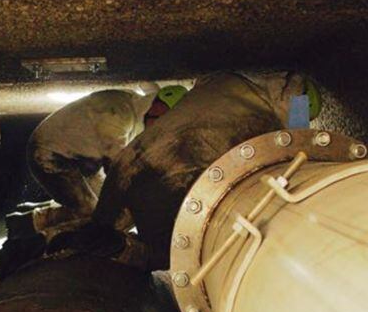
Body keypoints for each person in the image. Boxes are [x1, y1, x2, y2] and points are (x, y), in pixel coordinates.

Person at [74, 71, 318, 269]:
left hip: (129, 159)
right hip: (175, 179)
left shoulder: (219, 80)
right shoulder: (296, 99)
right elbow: (300, 148)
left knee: (99, 229)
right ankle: (118, 249)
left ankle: (75, 246)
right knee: (173, 254)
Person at [26, 85, 188, 222]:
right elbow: (117, 165)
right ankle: (35, 231)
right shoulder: (117, 114)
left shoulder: (140, 109)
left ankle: (39, 216)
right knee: (91, 213)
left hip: (86, 160)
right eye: (164, 117)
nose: (161, 126)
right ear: (158, 105)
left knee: (113, 211)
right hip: (50, 155)